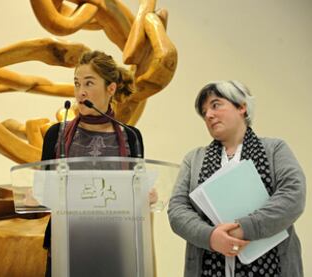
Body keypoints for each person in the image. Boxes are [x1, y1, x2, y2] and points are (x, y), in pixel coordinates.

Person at [168, 80, 306, 277]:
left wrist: (243, 229)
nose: (208, 115)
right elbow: (177, 210)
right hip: (209, 266)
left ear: (242, 106)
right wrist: (212, 237)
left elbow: (293, 196)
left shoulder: (275, 149)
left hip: (273, 267)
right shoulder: (194, 159)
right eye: (204, 111)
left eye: (215, 105)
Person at [41, 50, 144, 276]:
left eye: (89, 83)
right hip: (66, 244)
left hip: (115, 245)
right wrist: (37, 194)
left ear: (111, 88)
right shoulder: (55, 135)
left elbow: (135, 190)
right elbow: (43, 191)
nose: (80, 92)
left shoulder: (131, 137)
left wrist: (145, 195)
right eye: (77, 84)